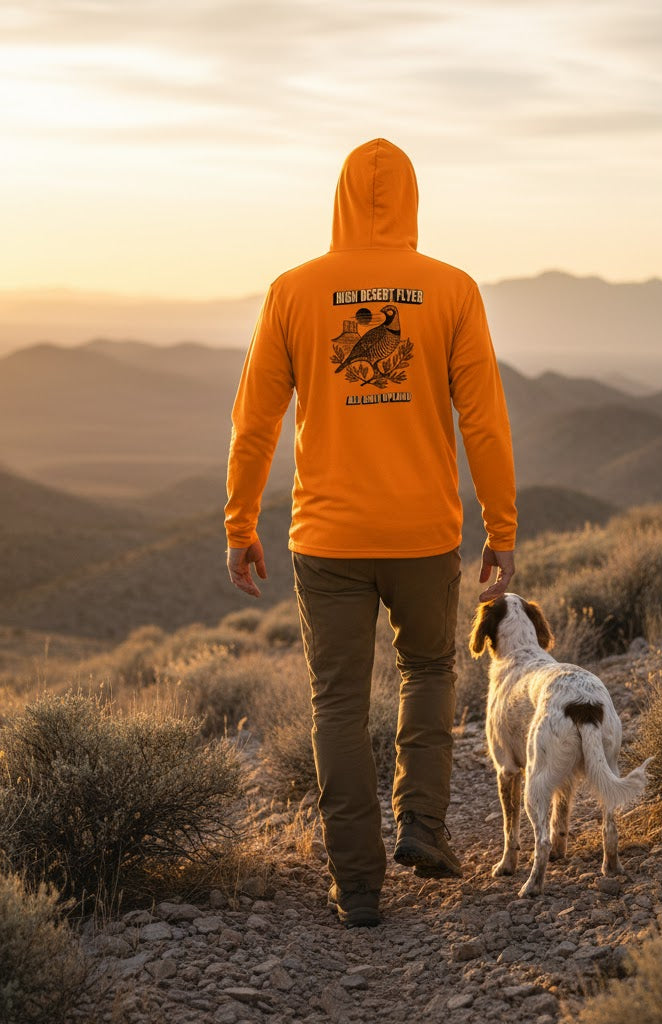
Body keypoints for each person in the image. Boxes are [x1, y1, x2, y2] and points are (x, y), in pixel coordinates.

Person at [225, 138, 517, 928]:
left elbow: (255, 419)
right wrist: (502, 525)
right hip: (424, 533)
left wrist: (240, 521)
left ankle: (356, 884)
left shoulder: (294, 290)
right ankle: (422, 825)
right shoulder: (451, 289)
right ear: (413, 200)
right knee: (427, 672)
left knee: (338, 704)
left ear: (341, 197)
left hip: (327, 539)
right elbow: (484, 419)